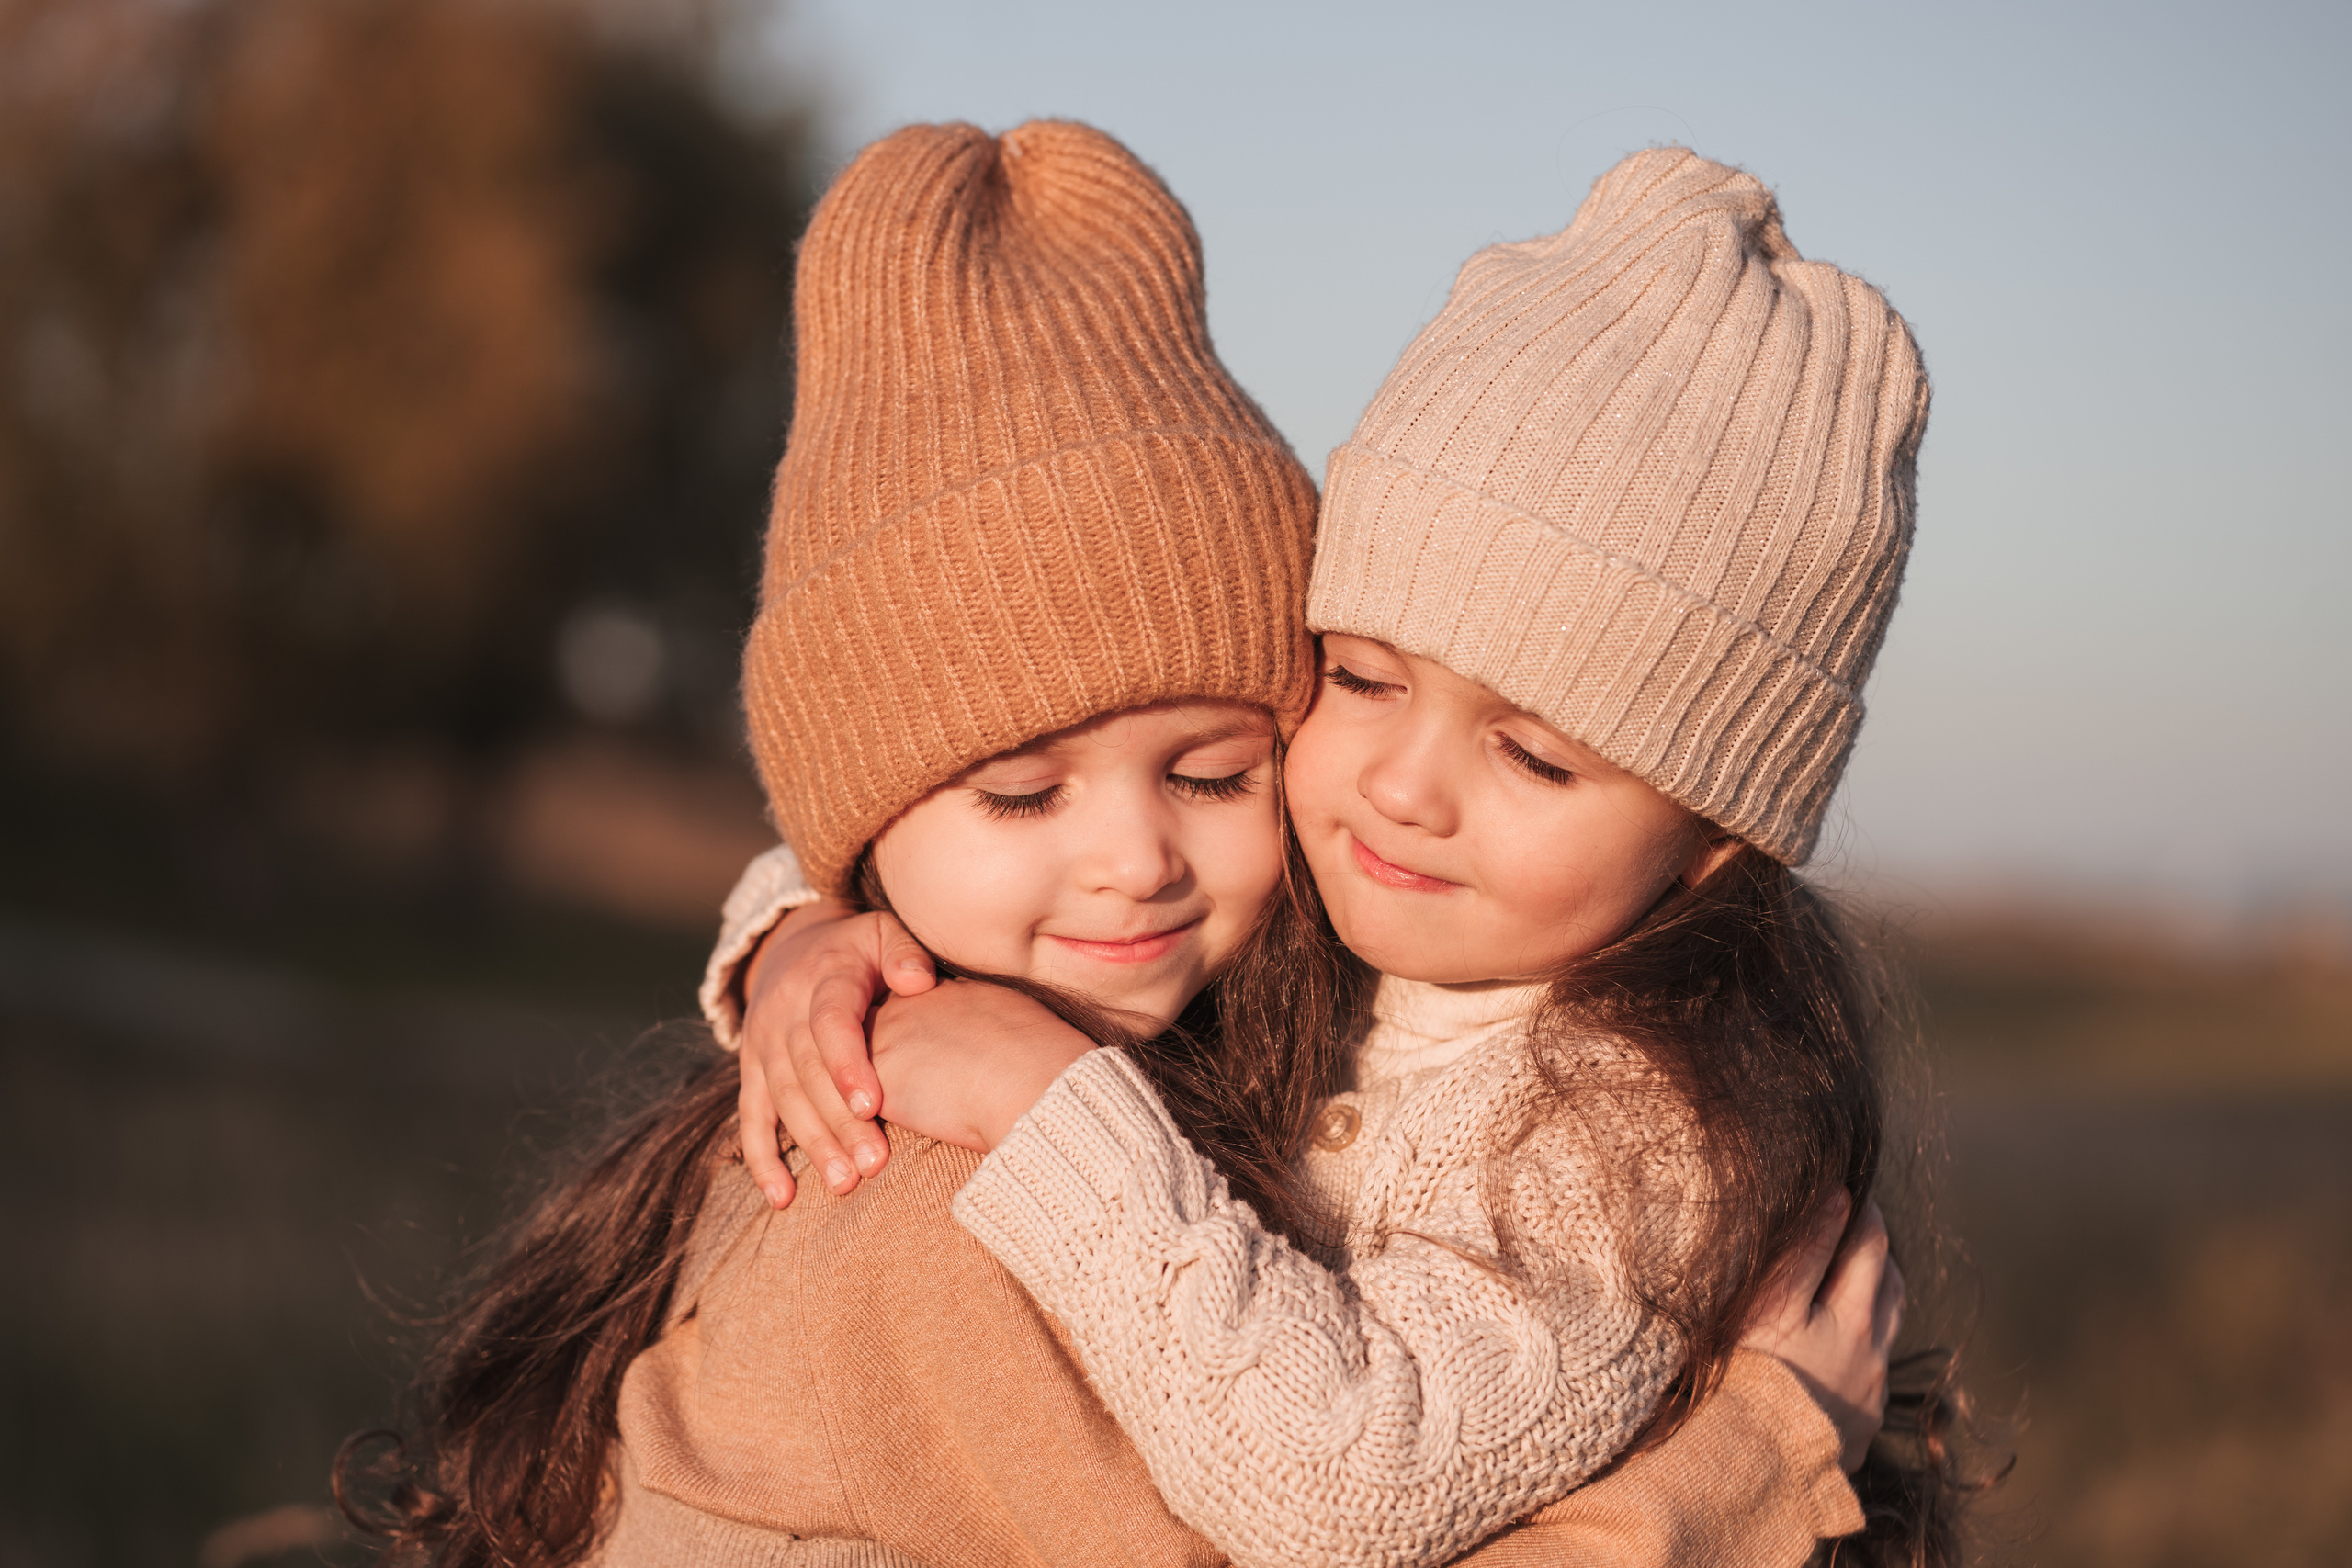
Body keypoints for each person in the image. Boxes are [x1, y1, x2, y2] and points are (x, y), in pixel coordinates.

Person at [338, 125, 1897, 1568]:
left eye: (1218, 774)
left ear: (1715, 842)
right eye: (1359, 679)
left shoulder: (1630, 1142)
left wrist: (1764, 1456)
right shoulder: (944, 1176)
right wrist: (805, 940)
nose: (1139, 861)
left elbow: (1333, 1478)